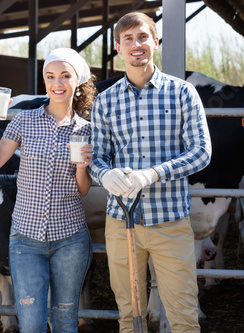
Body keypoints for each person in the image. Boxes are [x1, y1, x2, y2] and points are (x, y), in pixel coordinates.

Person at [89, 12, 212, 333]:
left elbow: (201, 152)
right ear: (118, 48)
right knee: (129, 316)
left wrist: (153, 174)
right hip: (121, 222)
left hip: (170, 222)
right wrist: (104, 175)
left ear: (155, 42)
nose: (136, 45)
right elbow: (96, 158)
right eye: (128, 39)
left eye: (142, 37)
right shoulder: (105, 102)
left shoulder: (183, 92)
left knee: (183, 313)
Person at [0, 47, 97, 332]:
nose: (56, 84)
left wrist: (82, 167)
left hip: (70, 238)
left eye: (64, 76)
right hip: (26, 238)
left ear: (78, 81)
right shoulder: (24, 120)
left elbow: (83, 190)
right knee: (31, 324)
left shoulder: (86, 130)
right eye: (50, 76)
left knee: (65, 321)